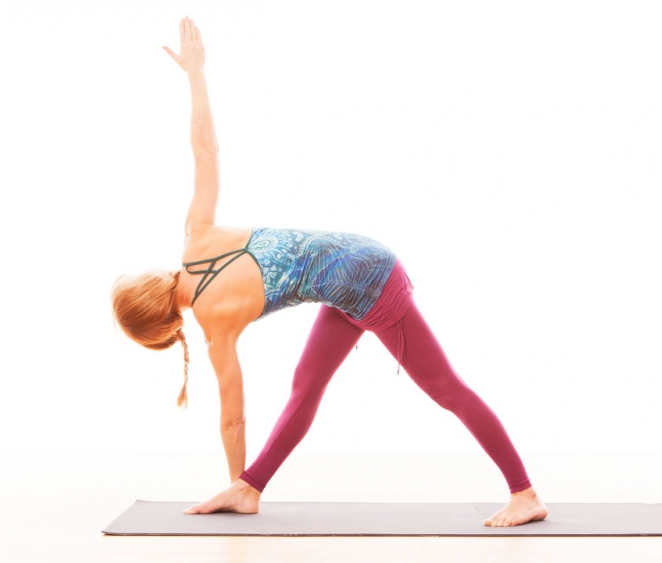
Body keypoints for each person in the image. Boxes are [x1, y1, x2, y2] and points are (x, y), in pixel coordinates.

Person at [111, 16, 548, 527]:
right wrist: (196, 75)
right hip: (351, 270)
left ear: (162, 328)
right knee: (307, 384)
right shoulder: (196, 237)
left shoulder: (214, 327)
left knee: (443, 386)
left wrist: (231, 475)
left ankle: (525, 493)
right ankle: (250, 489)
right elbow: (204, 150)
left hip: (370, 280)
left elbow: (233, 415)